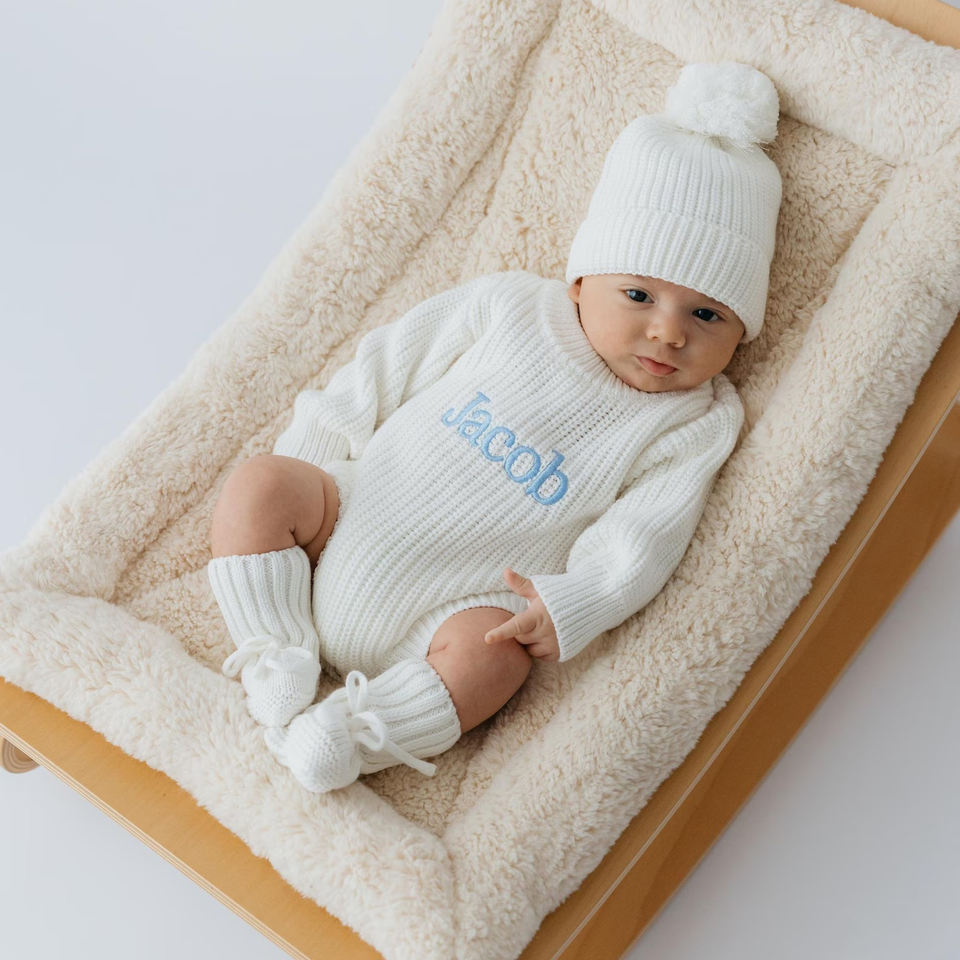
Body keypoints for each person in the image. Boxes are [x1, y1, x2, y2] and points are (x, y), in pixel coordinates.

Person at [206, 60, 783, 793]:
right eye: (638, 295)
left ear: (741, 331)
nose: (669, 332)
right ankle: (274, 651)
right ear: (583, 280)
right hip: (345, 520)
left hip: (457, 609)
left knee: (496, 662)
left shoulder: (693, 422)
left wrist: (574, 602)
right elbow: (381, 369)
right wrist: (313, 462)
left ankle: (353, 734)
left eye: (707, 314)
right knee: (260, 484)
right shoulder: (510, 308)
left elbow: (644, 534)